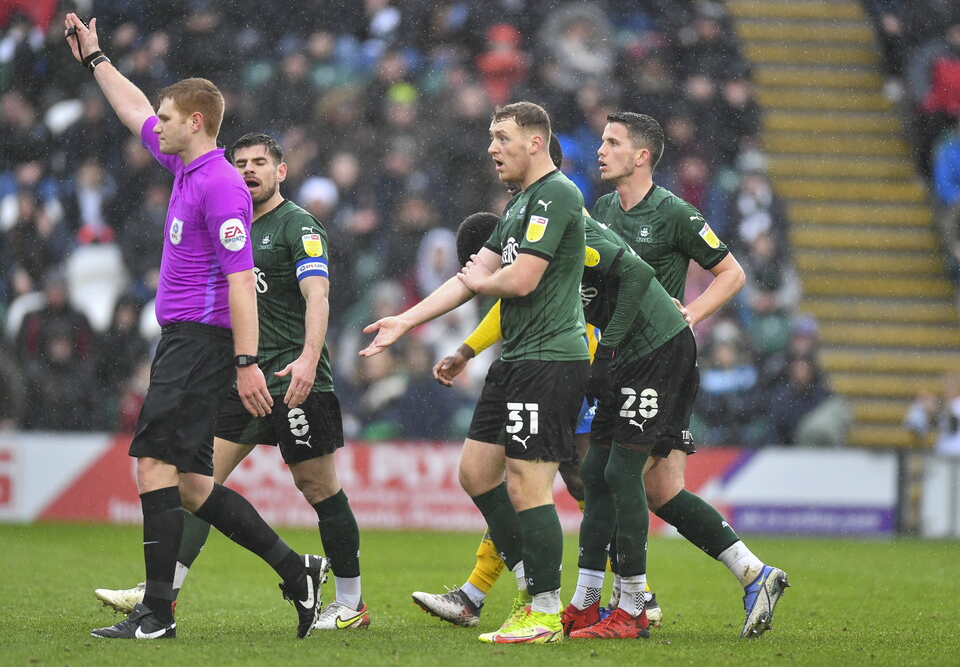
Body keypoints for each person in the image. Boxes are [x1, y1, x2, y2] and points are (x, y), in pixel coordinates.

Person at [63, 14, 326, 640]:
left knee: (152, 466)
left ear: (197, 122)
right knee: (190, 485)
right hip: (184, 339)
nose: (159, 121)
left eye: (169, 114)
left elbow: (241, 282)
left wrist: (245, 361)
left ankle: (156, 614)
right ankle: (298, 570)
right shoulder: (184, 164)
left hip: (201, 341)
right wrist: (95, 59)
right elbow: (132, 111)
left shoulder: (222, 188)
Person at [92, 133, 369, 630]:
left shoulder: (299, 225)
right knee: (198, 483)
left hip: (295, 378)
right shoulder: (227, 221)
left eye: (260, 163)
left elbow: (318, 295)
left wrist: (309, 359)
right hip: (245, 378)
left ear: (280, 171)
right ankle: (162, 591)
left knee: (318, 487)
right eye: (239, 163)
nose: (248, 171)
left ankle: (351, 602)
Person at [360, 101, 589, 644]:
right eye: (490, 136)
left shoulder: (559, 194)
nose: (492, 147)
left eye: (503, 137)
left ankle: (545, 610)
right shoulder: (516, 206)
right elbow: (471, 276)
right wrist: (406, 321)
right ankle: (534, 582)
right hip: (516, 360)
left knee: (529, 483)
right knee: (476, 473)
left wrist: (480, 281)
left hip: (550, 360)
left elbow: (522, 279)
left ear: (536, 142)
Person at [587, 111, 788, 638]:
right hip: (621, 359)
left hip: (658, 360)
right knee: (660, 489)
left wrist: (692, 314)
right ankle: (754, 573)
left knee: (614, 474)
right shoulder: (603, 209)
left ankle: (633, 600)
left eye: (612, 143)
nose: (601, 150)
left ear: (642, 156)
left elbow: (733, 273)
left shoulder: (674, 212)